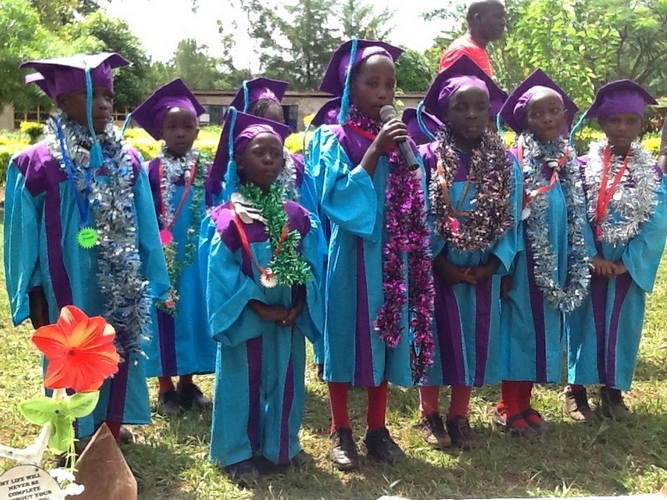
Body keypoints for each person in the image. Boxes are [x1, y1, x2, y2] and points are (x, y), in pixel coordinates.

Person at [5, 53, 169, 446]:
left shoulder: (127, 159)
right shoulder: (35, 164)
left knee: (116, 344)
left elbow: (148, 226)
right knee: (72, 350)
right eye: (88, 94)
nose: (103, 104)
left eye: (108, 96)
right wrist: (31, 290)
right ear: (60, 102)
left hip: (119, 279)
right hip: (66, 280)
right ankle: (76, 432)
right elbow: (20, 236)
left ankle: (111, 425)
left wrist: (156, 278)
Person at [309, 38, 435, 471]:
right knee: (345, 336)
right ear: (351, 88)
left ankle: (377, 429)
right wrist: (374, 151)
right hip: (353, 255)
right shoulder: (332, 138)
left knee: (386, 333)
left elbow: (418, 199)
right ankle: (340, 428)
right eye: (372, 83)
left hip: (394, 257)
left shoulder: (406, 141)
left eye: (390, 85)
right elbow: (336, 199)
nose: (384, 94)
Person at [199, 108, 323, 485]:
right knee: (241, 381)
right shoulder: (227, 219)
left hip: (286, 316)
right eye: (259, 152)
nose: (269, 159)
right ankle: (236, 452)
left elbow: (311, 269)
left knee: (287, 378)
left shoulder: (297, 216)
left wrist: (299, 305)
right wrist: (260, 308)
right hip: (248, 319)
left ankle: (281, 444)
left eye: (276, 153)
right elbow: (222, 278)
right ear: (239, 161)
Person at [417, 55, 519, 449]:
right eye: (461, 107)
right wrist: (439, 262)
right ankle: (429, 414)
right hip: (438, 268)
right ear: (444, 112)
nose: (473, 114)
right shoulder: (428, 158)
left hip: (482, 269)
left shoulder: (503, 161)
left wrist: (495, 262)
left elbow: (510, 215)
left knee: (474, 339)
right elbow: (418, 215)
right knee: (435, 338)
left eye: (481, 106)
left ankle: (459, 414)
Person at [496, 70, 591, 437]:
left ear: (565, 115)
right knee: (519, 328)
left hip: (558, 256)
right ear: (524, 120)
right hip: (522, 260)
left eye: (554, 111)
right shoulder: (515, 160)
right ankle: (507, 405)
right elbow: (506, 215)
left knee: (541, 330)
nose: (548, 119)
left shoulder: (564, 160)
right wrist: (505, 265)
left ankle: (525, 401)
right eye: (538, 114)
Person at [564, 80, 667, 422]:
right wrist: (591, 255)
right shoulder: (580, 166)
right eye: (614, 120)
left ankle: (613, 391)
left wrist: (627, 263)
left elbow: (657, 221)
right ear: (601, 123)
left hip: (626, 266)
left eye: (631, 121)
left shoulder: (651, 172)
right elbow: (573, 213)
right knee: (581, 323)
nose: (622, 127)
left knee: (624, 325)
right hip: (588, 262)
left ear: (642, 125)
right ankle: (575, 391)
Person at [131, 78, 219, 416]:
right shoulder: (149, 172)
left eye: (188, 126)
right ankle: (165, 387)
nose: (181, 132)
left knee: (194, 316)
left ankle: (188, 382)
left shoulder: (207, 172)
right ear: (160, 131)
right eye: (173, 126)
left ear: (198, 131)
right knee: (162, 316)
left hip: (196, 261)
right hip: (161, 259)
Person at [438, 0, 506, 76]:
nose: (503, 22)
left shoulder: (477, 50)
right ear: (478, 19)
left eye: (503, 17)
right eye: (497, 17)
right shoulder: (462, 51)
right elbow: (453, 86)